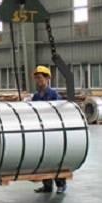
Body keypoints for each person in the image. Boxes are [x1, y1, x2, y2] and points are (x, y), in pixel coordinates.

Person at [31, 65, 67, 195]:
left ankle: (61, 184)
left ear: (47, 79)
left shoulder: (54, 95)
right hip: (41, 132)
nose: (38, 80)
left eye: (40, 78)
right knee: (43, 158)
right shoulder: (35, 97)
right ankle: (47, 186)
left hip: (53, 132)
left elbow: (58, 113)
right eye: (36, 78)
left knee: (55, 158)